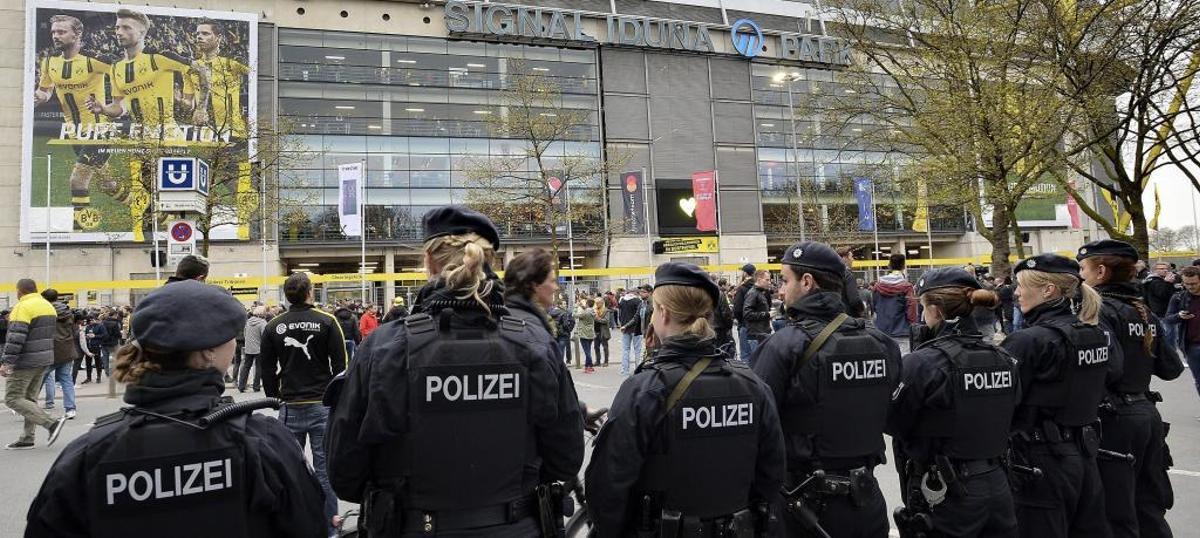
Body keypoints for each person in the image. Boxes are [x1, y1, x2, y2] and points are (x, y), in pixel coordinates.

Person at [326, 206, 583, 537]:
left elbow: (345, 473)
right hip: (517, 527)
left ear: (429, 263)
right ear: (489, 262)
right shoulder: (533, 342)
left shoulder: (385, 347)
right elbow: (566, 458)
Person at [24, 280, 328, 537]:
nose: (234, 346)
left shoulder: (88, 454)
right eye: (228, 339)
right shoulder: (262, 443)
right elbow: (309, 524)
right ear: (208, 353)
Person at [586, 262, 786, 537]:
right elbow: (772, 475)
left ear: (664, 313)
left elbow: (608, 488)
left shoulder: (644, 389)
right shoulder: (752, 386)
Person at [751, 242, 902, 538]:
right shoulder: (882, 344)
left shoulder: (784, 346)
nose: (780, 291)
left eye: (785, 280)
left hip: (804, 507)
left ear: (807, 282)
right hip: (866, 502)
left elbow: (757, 429)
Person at [888, 268, 1021, 537]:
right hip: (997, 482)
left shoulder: (923, 362)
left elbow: (891, 419)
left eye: (924, 308)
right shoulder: (1003, 357)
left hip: (947, 491)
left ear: (935, 310)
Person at [1000, 254, 1116, 538]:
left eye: (1020, 285)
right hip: (1084, 453)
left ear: (1048, 290)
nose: (1015, 293)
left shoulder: (1030, 340)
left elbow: (1002, 402)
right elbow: (1114, 375)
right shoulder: (1095, 331)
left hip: (1041, 459)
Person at [1076, 240, 1184, 538]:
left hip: (1115, 419)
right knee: (1149, 505)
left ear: (1100, 272)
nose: (1080, 276)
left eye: (1083, 269)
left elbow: (1108, 368)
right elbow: (1171, 368)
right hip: (1146, 413)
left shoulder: (1097, 309)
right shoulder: (1142, 311)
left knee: (1117, 510)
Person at [260, 272, 348, 535]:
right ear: (310, 293)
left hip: (289, 405)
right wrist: (337, 399)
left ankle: (295, 527)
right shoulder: (328, 321)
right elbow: (341, 366)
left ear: (287, 295)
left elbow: (266, 368)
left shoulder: (274, 325)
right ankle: (330, 528)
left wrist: (275, 397)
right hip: (322, 404)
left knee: (288, 470)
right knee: (324, 470)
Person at [2, 279, 67, 450]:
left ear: (19, 291)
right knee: (29, 399)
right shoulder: (47, 306)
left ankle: (51, 423)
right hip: (43, 359)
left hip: (26, 361)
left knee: (12, 398)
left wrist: (7, 362)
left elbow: (16, 338)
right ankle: (27, 438)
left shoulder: (22, 307)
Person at [41, 289, 79, 419]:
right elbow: (74, 332)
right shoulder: (68, 312)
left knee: (39, 378)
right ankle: (71, 409)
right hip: (67, 350)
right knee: (66, 379)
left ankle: (28, 405)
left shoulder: (45, 312)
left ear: (44, 299)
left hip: (52, 350)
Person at [1165, 265, 1200, 398]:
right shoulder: (1179, 297)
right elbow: (1167, 319)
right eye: (1186, 284)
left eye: (1194, 283)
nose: (1190, 287)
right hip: (1192, 347)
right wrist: (1179, 316)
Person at [872, 253, 918, 351]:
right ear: (903, 266)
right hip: (901, 331)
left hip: (882, 330)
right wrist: (912, 325)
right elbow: (911, 310)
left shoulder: (877, 286)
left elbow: (874, 306)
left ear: (889, 265)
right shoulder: (907, 287)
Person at [741, 270, 773, 362]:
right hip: (756, 335)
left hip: (761, 333)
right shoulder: (753, 293)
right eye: (767, 280)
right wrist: (767, 314)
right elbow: (747, 314)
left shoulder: (759, 292)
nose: (769, 282)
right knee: (759, 363)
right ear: (759, 280)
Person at [732, 263, 757, 362]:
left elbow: (737, 309)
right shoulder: (760, 287)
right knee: (757, 354)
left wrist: (740, 321)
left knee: (746, 355)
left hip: (745, 324)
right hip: (759, 325)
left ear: (745, 273)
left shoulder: (742, 288)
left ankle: (747, 377)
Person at [238, 306, 266, 393]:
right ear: (262, 314)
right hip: (259, 349)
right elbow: (264, 336)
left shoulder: (248, 322)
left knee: (246, 367)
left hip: (249, 348)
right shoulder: (262, 323)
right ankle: (256, 386)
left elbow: (245, 334)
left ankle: (241, 386)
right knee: (258, 367)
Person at [617, 285, 644, 375]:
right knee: (637, 350)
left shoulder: (622, 301)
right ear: (636, 293)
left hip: (625, 328)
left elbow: (619, 314)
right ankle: (637, 370)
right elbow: (639, 316)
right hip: (636, 328)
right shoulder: (638, 301)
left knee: (625, 350)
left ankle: (625, 370)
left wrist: (621, 324)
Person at [837, 246, 867, 317]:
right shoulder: (847, 275)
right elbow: (854, 300)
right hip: (848, 316)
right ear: (844, 258)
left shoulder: (830, 274)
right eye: (851, 257)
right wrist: (862, 308)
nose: (853, 260)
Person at [573, 298, 597, 373]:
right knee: (588, 350)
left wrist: (576, 307)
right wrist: (583, 307)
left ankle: (590, 365)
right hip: (591, 332)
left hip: (584, 333)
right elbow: (586, 311)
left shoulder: (585, 312)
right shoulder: (592, 311)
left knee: (587, 352)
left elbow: (574, 315)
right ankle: (587, 366)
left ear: (587, 304)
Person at [593, 297, 611, 367]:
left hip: (603, 332)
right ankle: (598, 361)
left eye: (598, 303)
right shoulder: (595, 310)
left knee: (605, 347)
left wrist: (597, 319)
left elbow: (606, 320)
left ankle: (606, 361)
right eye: (596, 303)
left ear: (602, 303)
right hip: (596, 331)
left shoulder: (606, 311)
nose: (597, 304)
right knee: (596, 347)